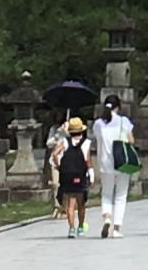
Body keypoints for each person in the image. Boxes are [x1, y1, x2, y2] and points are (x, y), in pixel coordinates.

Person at [94, 95, 137, 238]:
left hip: (105, 163)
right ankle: (116, 228)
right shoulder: (123, 121)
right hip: (122, 162)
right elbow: (131, 140)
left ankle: (107, 217)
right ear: (118, 107)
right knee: (121, 195)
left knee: (106, 194)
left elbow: (97, 140)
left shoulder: (99, 123)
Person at [54, 117, 92, 237]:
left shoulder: (65, 142)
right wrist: (91, 174)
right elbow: (88, 160)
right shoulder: (86, 143)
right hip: (80, 175)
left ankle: (71, 228)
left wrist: (59, 165)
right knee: (81, 203)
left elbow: (55, 153)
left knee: (70, 203)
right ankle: (80, 227)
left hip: (68, 176)